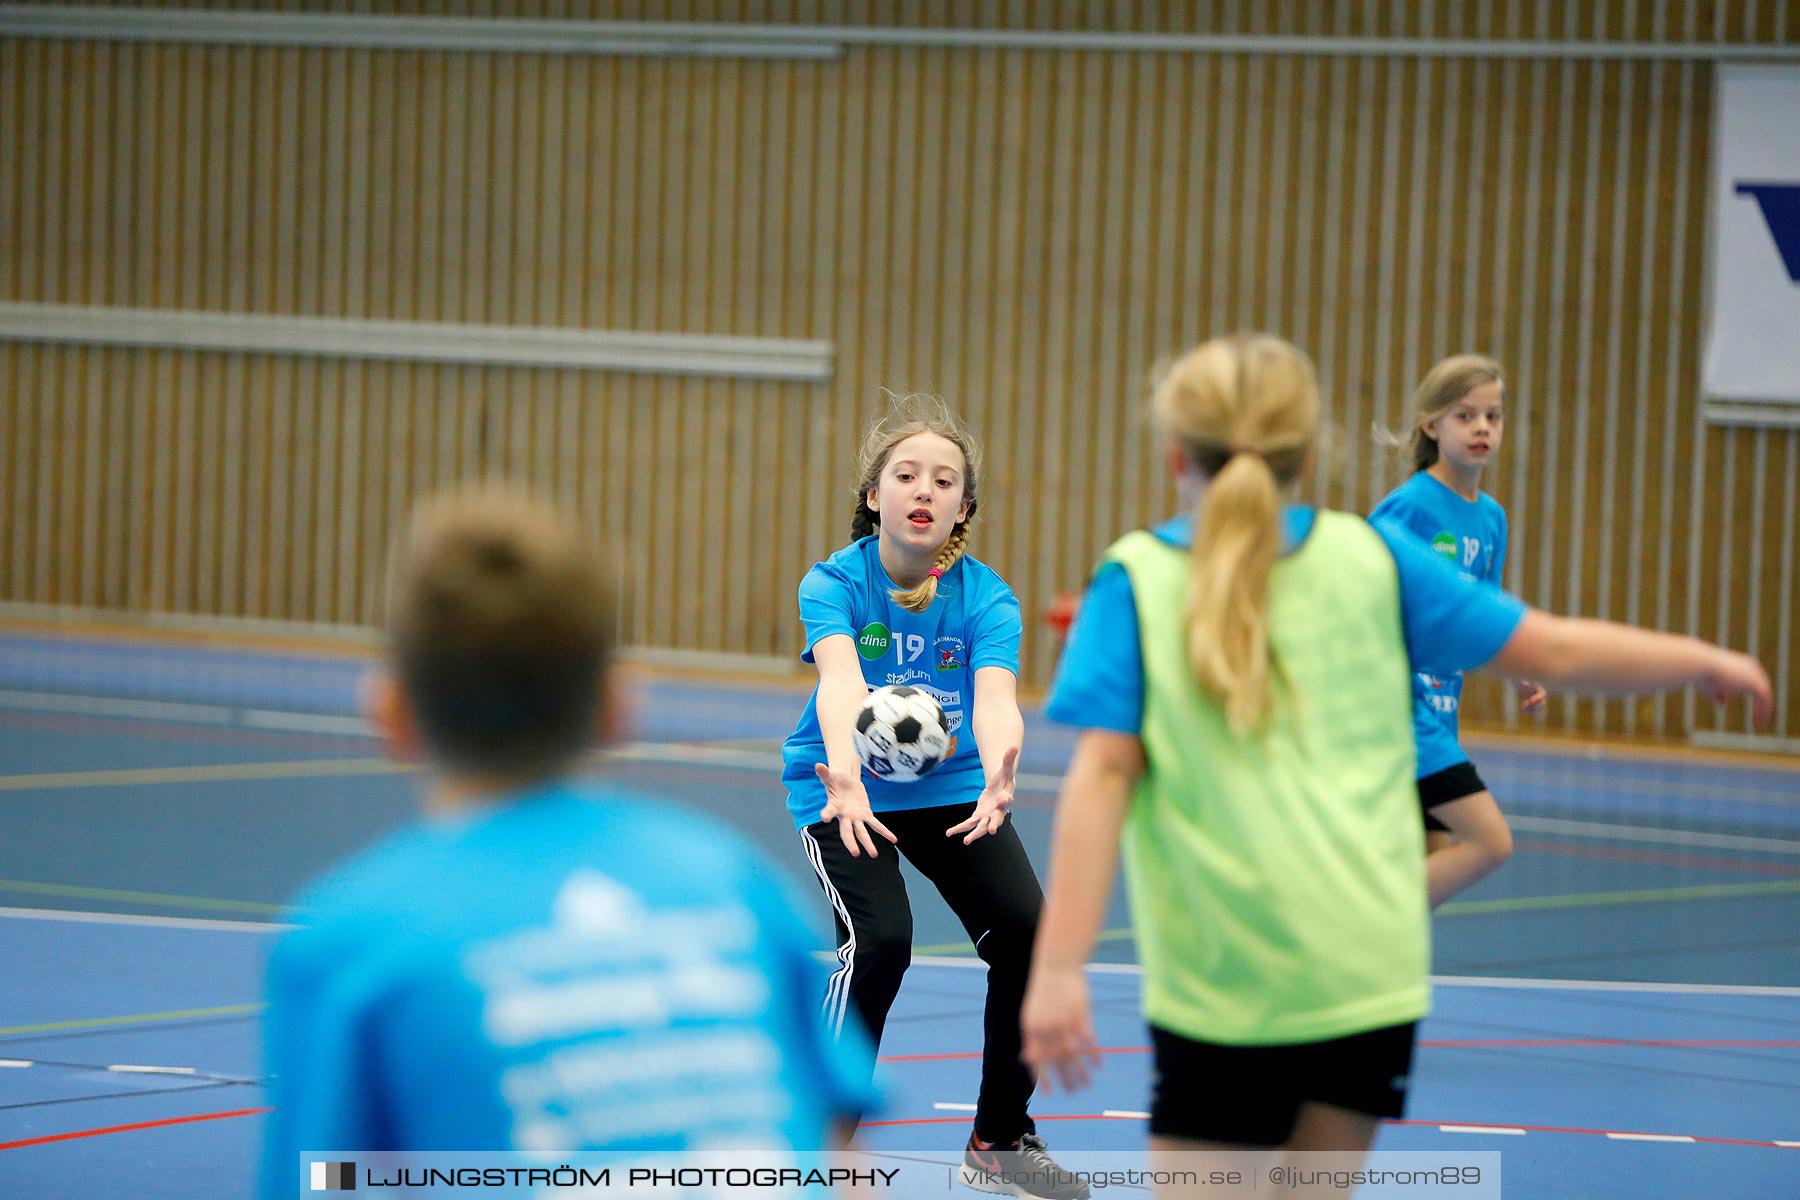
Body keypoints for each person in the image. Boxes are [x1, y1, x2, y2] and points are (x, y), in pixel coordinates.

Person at [1019, 334, 1771, 1193]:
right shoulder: (1372, 559)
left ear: (1172, 454)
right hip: (1370, 973)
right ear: (1309, 452)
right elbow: (1555, 650)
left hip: (1229, 977)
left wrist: (1058, 970)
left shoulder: (1136, 579)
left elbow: (1102, 779)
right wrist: (1705, 660)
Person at [260, 487, 874, 1197]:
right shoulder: (744, 890)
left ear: (389, 715)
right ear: (621, 707)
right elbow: (839, 1169)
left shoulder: (346, 948)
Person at [780, 393, 1088, 1199]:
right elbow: (842, 683)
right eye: (906, 474)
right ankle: (817, 1138)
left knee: (1027, 931)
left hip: (951, 783)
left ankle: (999, 1139)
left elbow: (994, 698)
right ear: (873, 496)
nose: (925, 489)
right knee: (883, 941)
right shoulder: (834, 584)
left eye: (944, 480)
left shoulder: (987, 597)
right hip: (839, 786)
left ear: (963, 507)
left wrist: (1002, 767)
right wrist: (846, 777)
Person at [1371, 355, 1540, 905]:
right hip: (1399, 712)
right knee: (1489, 842)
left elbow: (1482, 609)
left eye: (1492, 416)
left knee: (1431, 864)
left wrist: (1517, 670)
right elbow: (1361, 589)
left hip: (1441, 715)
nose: (1482, 428)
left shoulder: (1491, 518)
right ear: (1431, 425)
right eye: (1465, 416)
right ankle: (1348, 926)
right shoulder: (1408, 508)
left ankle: (1364, 965)